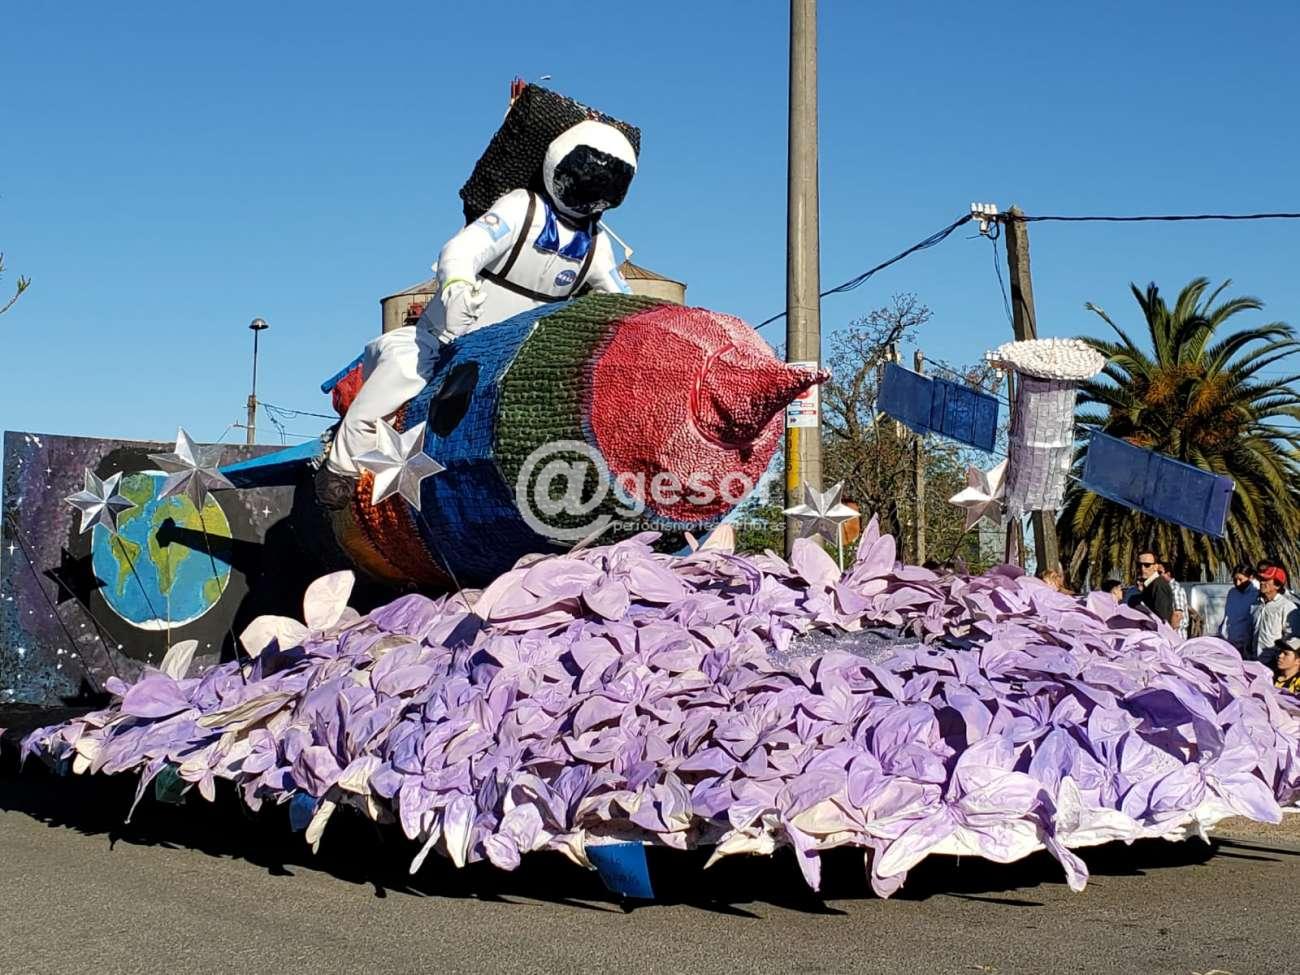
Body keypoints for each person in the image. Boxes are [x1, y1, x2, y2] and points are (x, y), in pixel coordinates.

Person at [319, 91, 640, 495]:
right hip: (449, 342)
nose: (589, 189)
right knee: (403, 366)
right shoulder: (521, 208)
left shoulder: (596, 246)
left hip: (521, 358)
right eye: (583, 177)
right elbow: (463, 248)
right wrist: (457, 285)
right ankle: (341, 467)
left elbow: (621, 301)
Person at [1251, 565, 1291, 664]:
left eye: (1266, 580)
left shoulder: (1286, 606)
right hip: (1253, 659)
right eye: (1261, 579)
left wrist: (1279, 657)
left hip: (1272, 662)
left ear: (1277, 585)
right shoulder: (1256, 604)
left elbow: (1291, 638)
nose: (1261, 582)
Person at [1218, 564, 1257, 657]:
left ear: (1250, 578)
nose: (1238, 583)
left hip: (1246, 645)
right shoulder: (1232, 593)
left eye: (1241, 579)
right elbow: (1227, 616)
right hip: (1230, 642)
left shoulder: (1256, 594)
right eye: (1235, 580)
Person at [1128, 550, 1174, 625]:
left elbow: (1162, 618)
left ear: (1156, 567)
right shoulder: (1150, 585)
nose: (1142, 568)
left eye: (1147, 565)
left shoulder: (1159, 585)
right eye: (1139, 565)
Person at [1160, 563, 1189, 638]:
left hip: (1177, 634)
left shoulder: (1175, 590)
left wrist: (1170, 633)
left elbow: (1178, 615)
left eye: (1160, 573)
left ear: (1168, 574)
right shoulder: (1166, 589)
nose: (1158, 576)